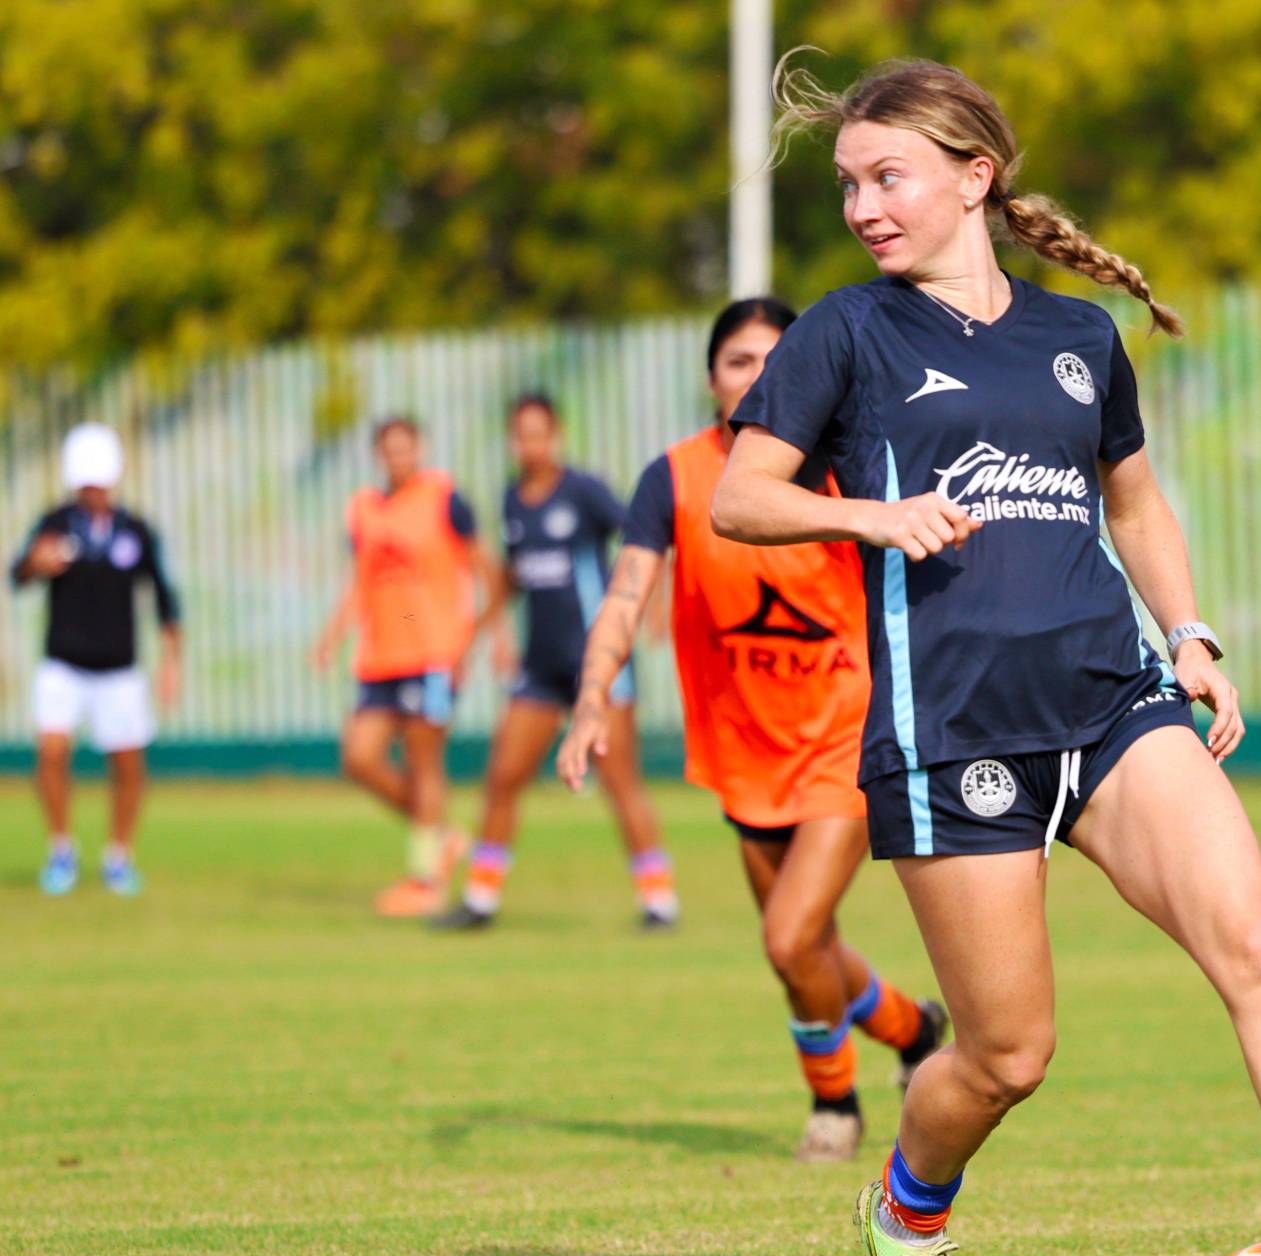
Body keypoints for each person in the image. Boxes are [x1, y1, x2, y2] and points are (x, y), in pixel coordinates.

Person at [709, 57, 1261, 1256]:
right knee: (1007, 1057)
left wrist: (1191, 636)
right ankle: (905, 1217)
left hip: (1113, 703)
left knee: (1258, 949)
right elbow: (741, 496)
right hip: (952, 732)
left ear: (974, 176)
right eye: (847, 185)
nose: (862, 208)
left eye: (887, 177)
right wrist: (870, 515)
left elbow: (1135, 504)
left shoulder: (1075, 340)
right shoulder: (844, 332)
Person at [557, 298, 948, 1163]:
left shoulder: (845, 467)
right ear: (711, 378)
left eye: (775, 360)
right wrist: (590, 697)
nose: (757, 377)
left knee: (789, 936)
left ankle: (835, 1106)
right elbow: (625, 594)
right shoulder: (675, 478)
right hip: (745, 750)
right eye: (739, 361)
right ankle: (913, 1029)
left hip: (845, 740)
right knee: (805, 948)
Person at [432, 394, 678, 931]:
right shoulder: (512, 500)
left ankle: (659, 900)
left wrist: (657, 605)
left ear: (556, 435)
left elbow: (645, 545)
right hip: (540, 669)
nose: (531, 445)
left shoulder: (584, 491)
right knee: (503, 776)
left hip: (600, 666)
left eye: (539, 434)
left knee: (620, 780)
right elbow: (514, 578)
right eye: (521, 435)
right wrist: (480, 636)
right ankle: (480, 898)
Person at [313, 417, 500, 917]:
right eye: (389, 449)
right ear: (378, 455)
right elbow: (360, 581)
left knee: (423, 761)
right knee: (359, 757)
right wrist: (330, 638)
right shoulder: (364, 508)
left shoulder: (445, 498)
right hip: (380, 654)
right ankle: (441, 833)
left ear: (420, 449)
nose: (398, 457)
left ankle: (425, 879)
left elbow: (487, 570)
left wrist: (488, 638)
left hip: (432, 649)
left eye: (405, 448)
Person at [10, 423, 182, 896]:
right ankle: (61, 850)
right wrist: (36, 564)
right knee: (51, 752)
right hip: (63, 663)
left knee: (127, 763)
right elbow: (17, 574)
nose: (93, 491)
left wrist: (172, 662)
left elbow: (165, 598)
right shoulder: (55, 524)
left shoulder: (136, 531)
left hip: (119, 668)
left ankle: (118, 856)